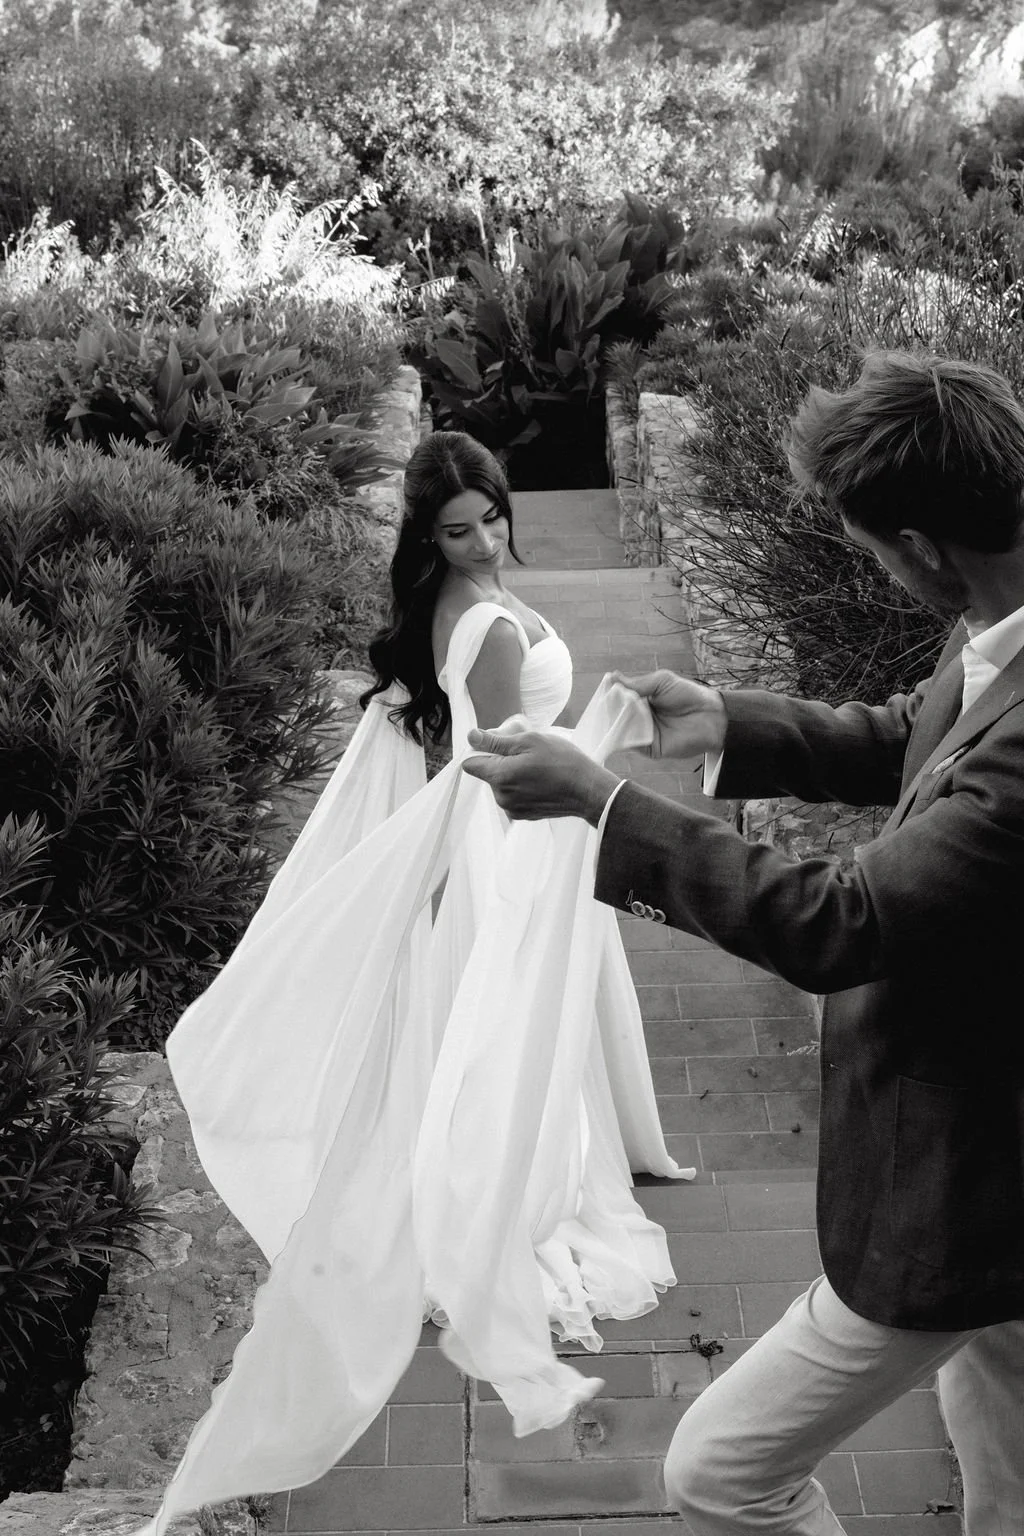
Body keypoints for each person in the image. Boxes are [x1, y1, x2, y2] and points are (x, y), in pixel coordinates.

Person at [462, 352, 1024, 1536]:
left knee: (718, 1473)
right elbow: (919, 740)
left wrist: (605, 811)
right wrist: (731, 723)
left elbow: (842, 921)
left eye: (873, 551)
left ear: (920, 546)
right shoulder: (998, 620)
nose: (878, 569)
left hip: (970, 1182)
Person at [132, 431, 691, 1536]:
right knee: (513, 1015)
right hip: (514, 839)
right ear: (428, 537)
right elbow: (506, 755)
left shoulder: (457, 600)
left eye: (490, 519)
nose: (482, 541)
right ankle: (507, 1181)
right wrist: (601, 739)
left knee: (510, 1014)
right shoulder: (485, 622)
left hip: (512, 832)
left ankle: (528, 1147)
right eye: (458, 529)